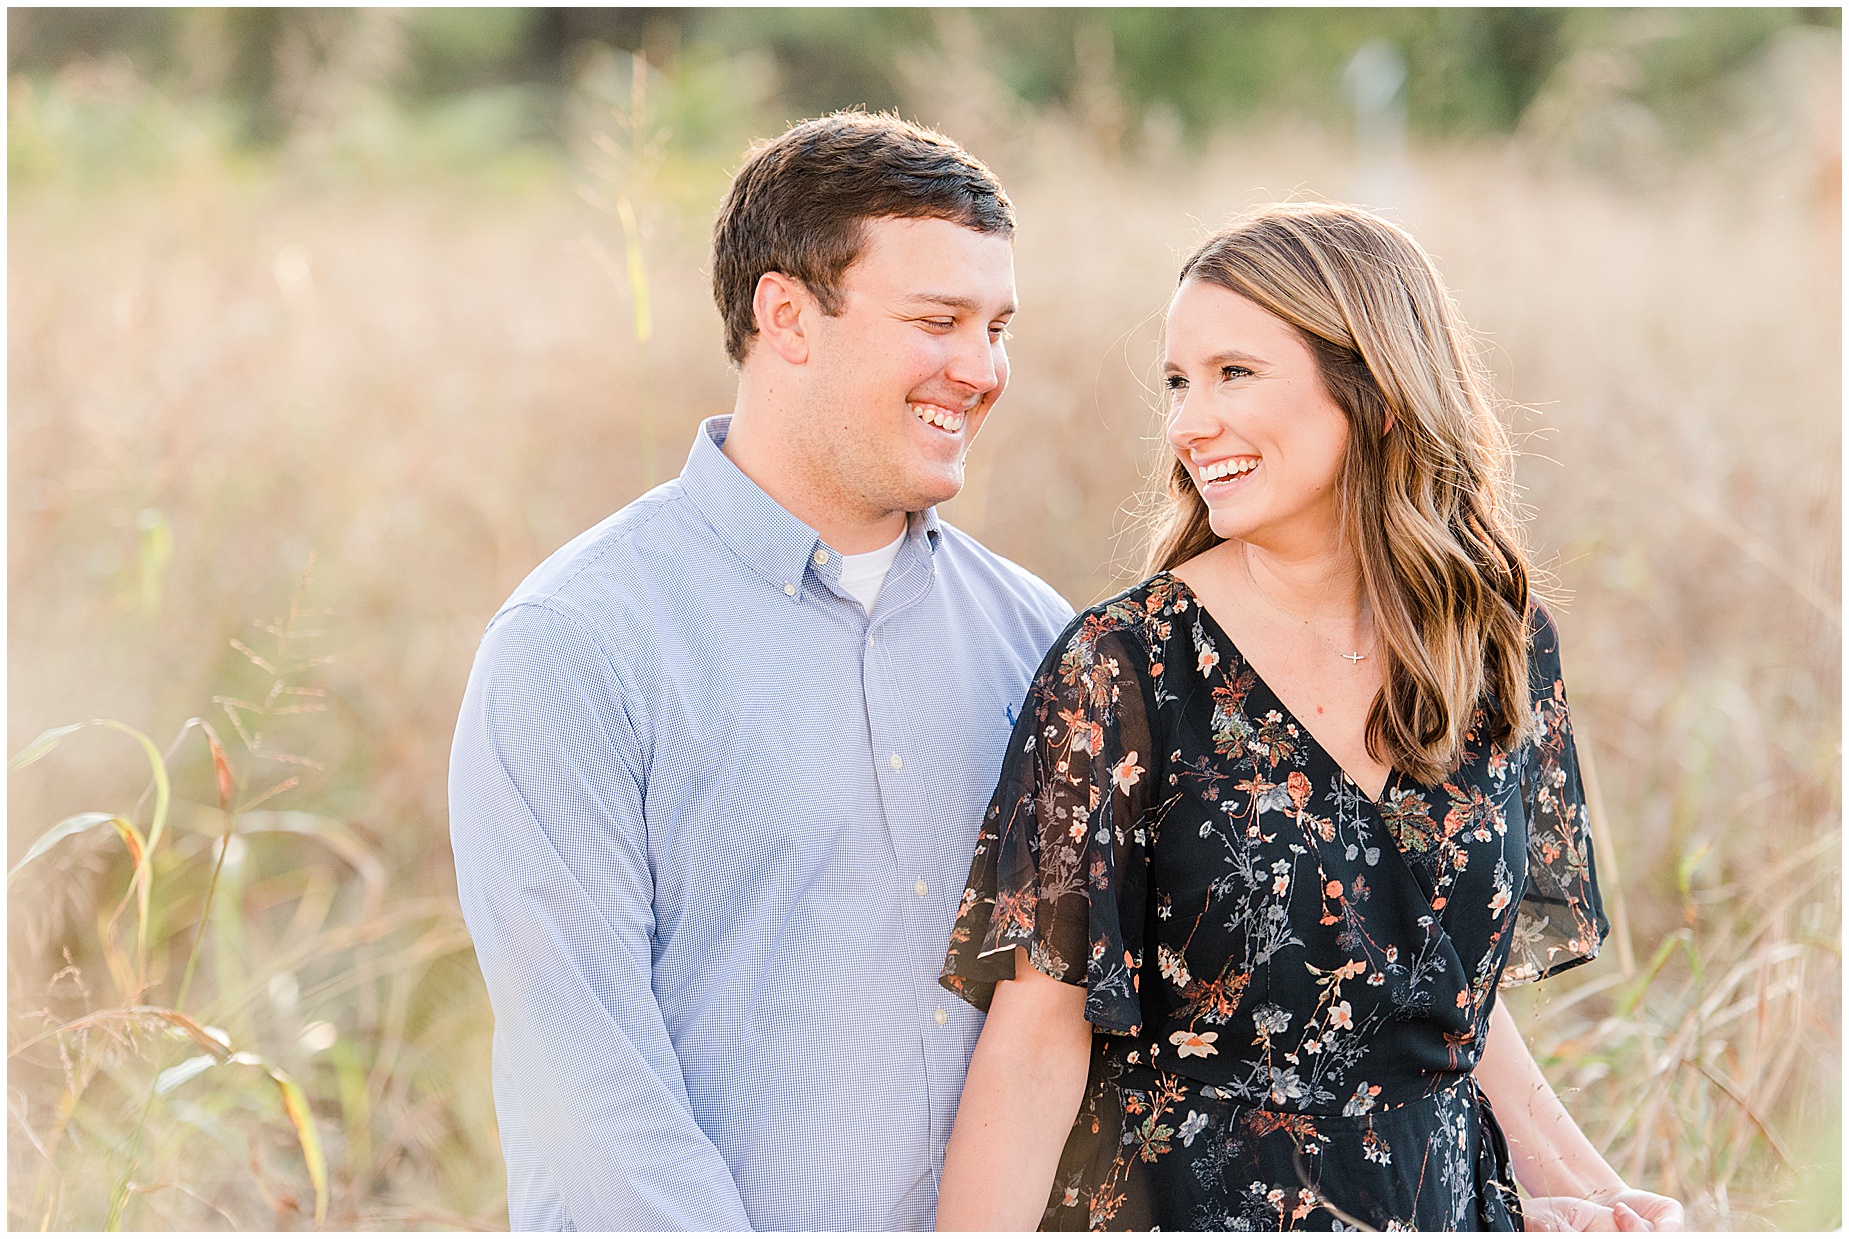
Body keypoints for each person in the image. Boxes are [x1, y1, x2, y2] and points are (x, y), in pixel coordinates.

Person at [935, 203, 1686, 1232]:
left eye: (1233, 374)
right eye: (1177, 382)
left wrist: (1584, 1189)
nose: (1189, 423)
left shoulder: (1491, 642)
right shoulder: (1125, 670)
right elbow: (1035, 1039)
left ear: (1374, 392)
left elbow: (1432, 992)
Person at [448, 111, 1072, 1230]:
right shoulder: (577, 646)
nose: (980, 372)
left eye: (996, 326)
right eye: (939, 320)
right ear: (785, 314)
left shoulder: (1038, 639)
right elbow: (589, 1090)